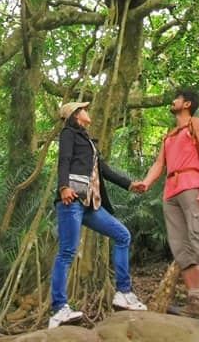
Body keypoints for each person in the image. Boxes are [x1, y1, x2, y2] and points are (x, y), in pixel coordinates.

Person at [48, 100, 147, 329]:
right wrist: (63, 187)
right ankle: (59, 309)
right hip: (71, 201)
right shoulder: (68, 134)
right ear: (75, 115)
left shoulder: (88, 141)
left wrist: (130, 184)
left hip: (90, 204)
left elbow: (105, 170)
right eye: (84, 109)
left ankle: (123, 292)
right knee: (67, 252)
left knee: (122, 235)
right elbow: (63, 161)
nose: (87, 110)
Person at [137, 88, 199, 331]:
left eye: (176, 98)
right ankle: (194, 302)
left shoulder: (196, 124)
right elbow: (159, 164)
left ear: (186, 104)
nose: (172, 101)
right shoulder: (170, 135)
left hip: (192, 185)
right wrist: (146, 182)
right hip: (170, 192)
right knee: (181, 247)